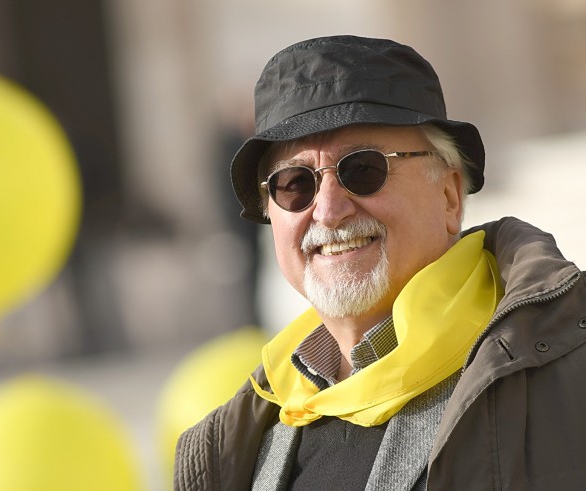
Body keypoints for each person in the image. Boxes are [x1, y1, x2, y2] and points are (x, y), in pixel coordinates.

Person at [174, 35, 586, 490]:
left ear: (449, 195)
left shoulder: (571, 370)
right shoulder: (237, 447)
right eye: (295, 183)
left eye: (363, 169)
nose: (329, 211)